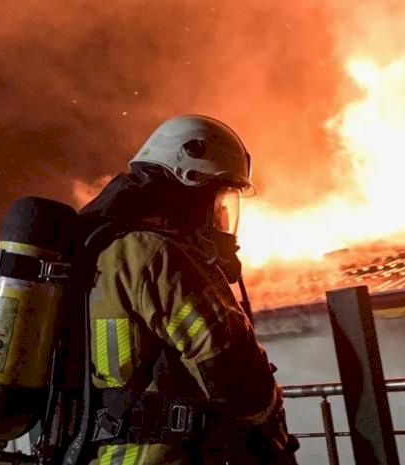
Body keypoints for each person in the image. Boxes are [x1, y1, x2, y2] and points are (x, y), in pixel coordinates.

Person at [76, 115, 298, 465]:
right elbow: (236, 380)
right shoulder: (160, 256)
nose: (222, 220)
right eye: (220, 201)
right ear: (191, 187)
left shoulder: (95, 251)